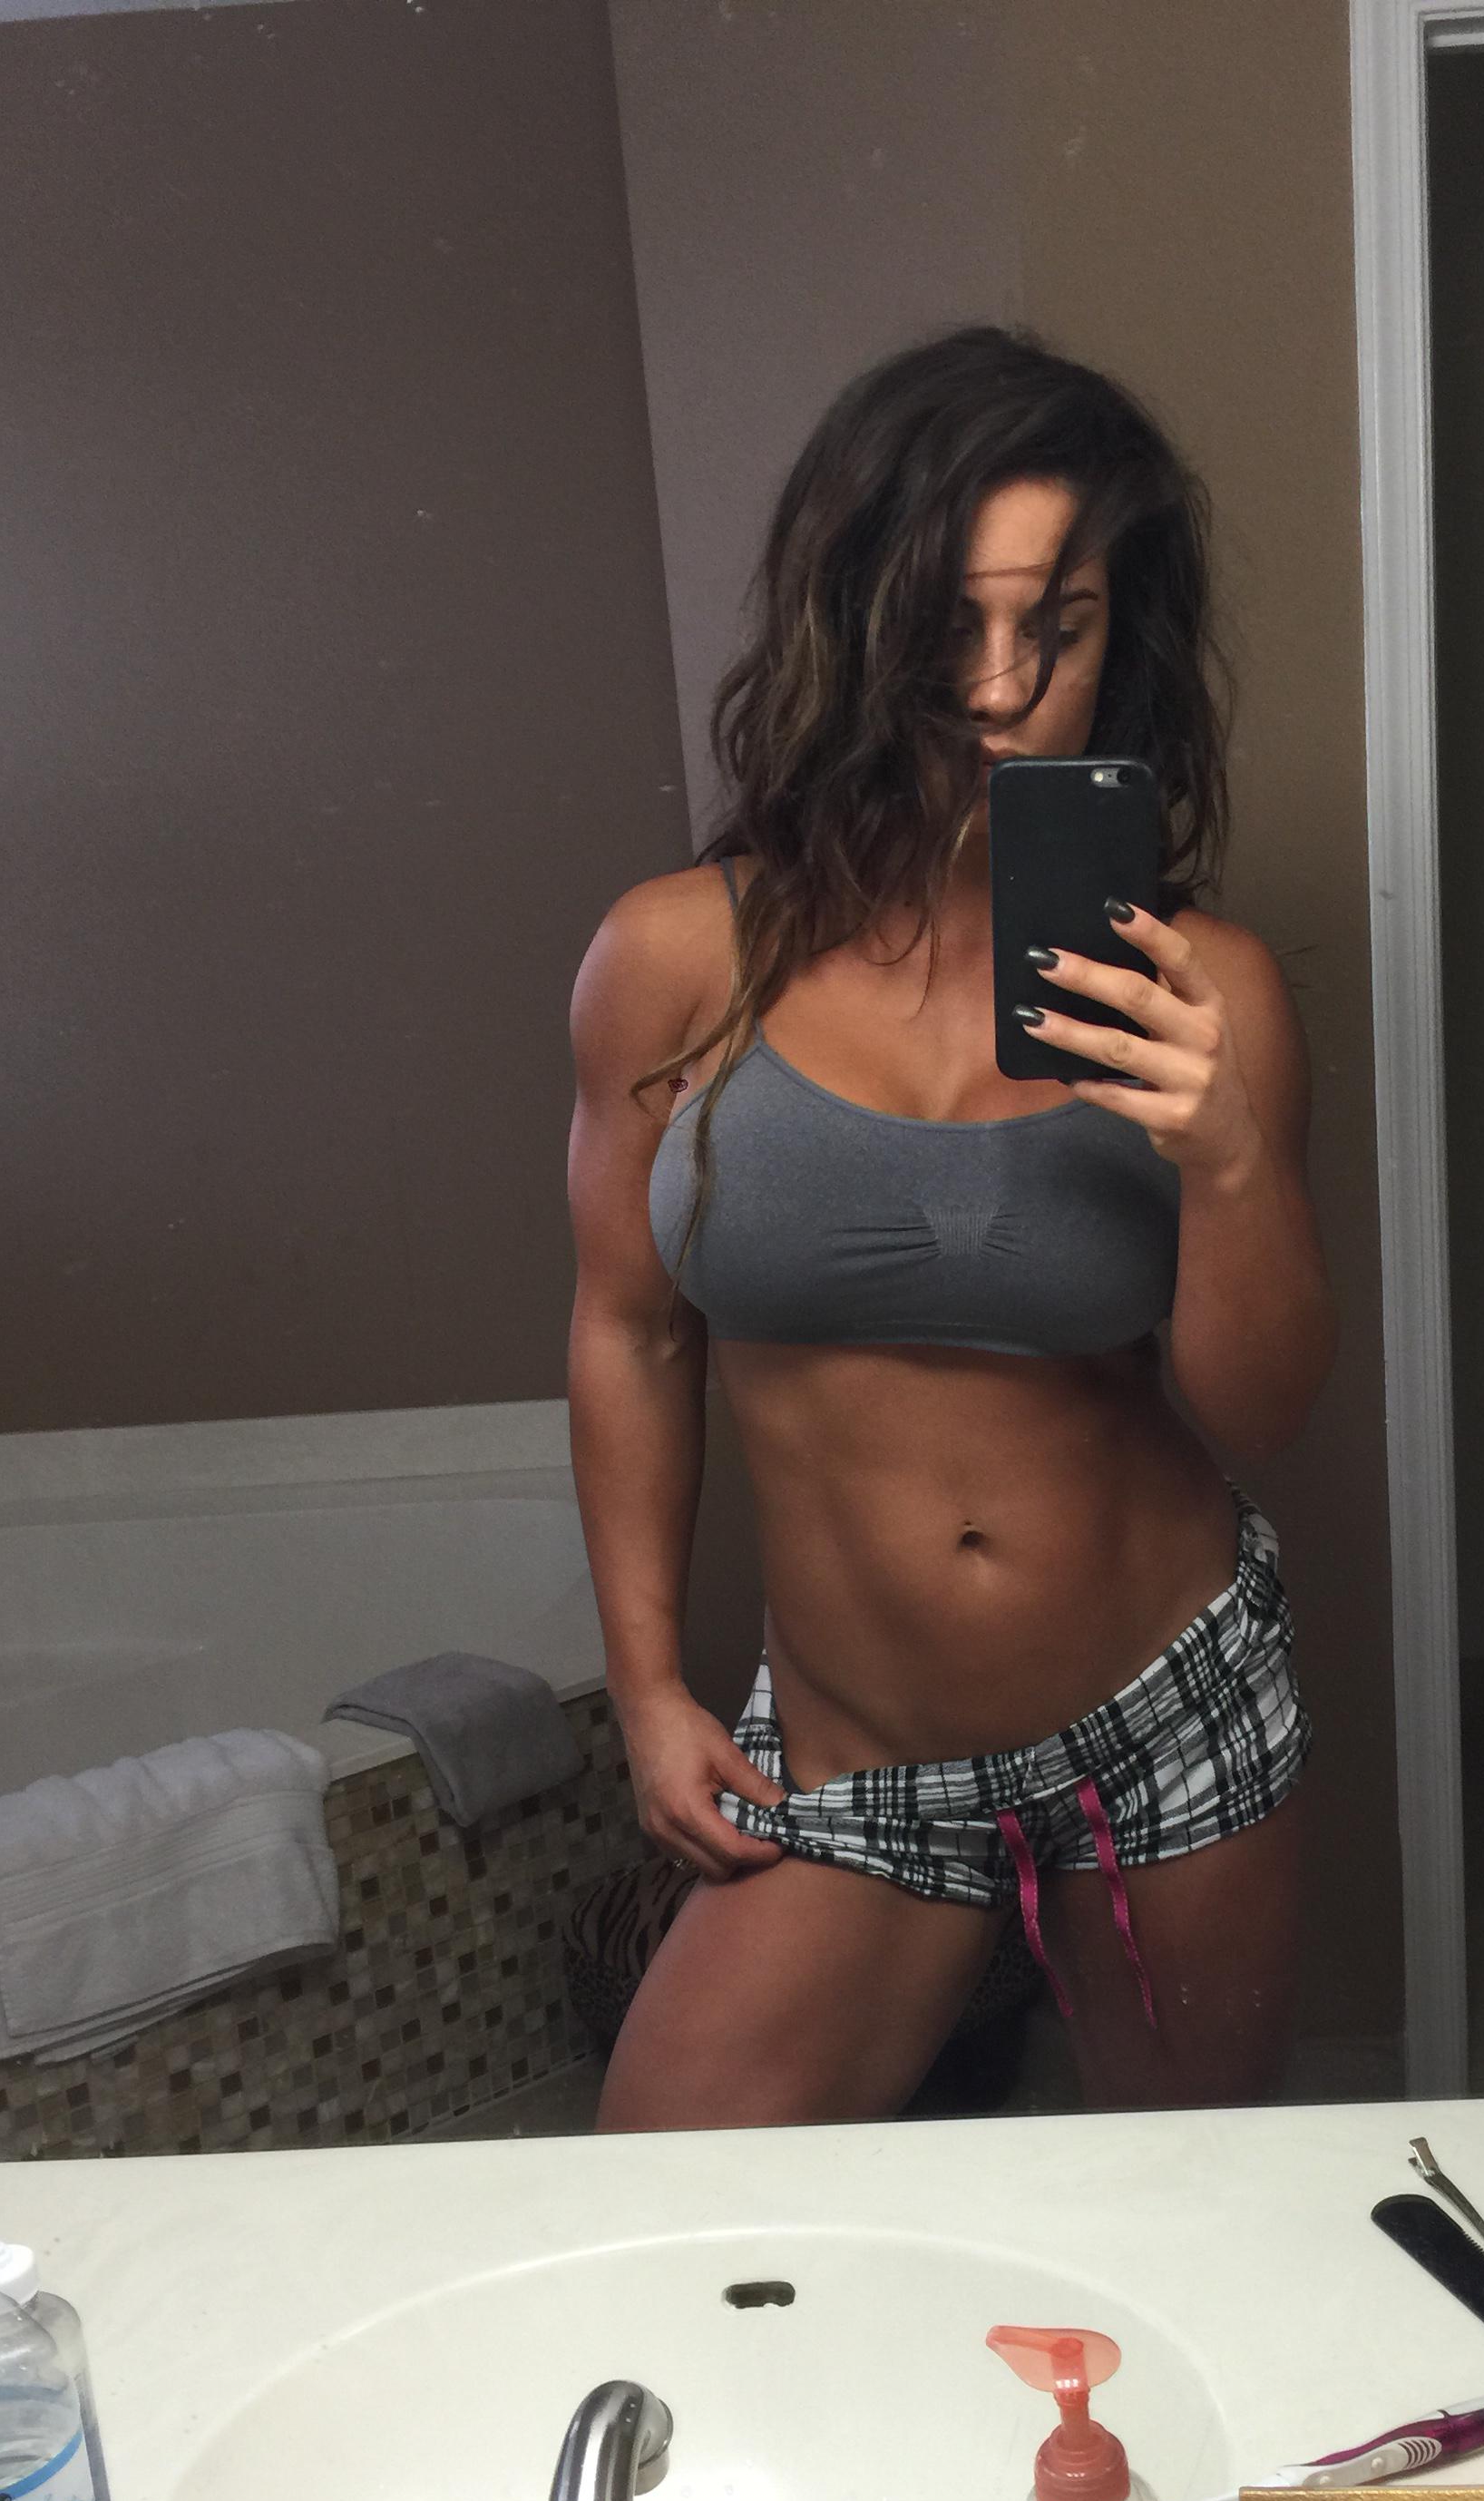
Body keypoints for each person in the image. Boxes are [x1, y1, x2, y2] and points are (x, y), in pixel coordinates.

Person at [566, 327, 1334, 2129]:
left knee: (1190, 2209)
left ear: (1122, 635)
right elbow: (631, 1328)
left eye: (1056, 626)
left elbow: (1269, 1409)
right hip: (858, 1751)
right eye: (948, 622)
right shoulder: (672, 959)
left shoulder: (1202, 988)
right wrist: (648, 1687)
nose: (997, 688)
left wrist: (1228, 1159)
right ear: (857, 615)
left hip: (1169, 1700)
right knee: (673, 2209)